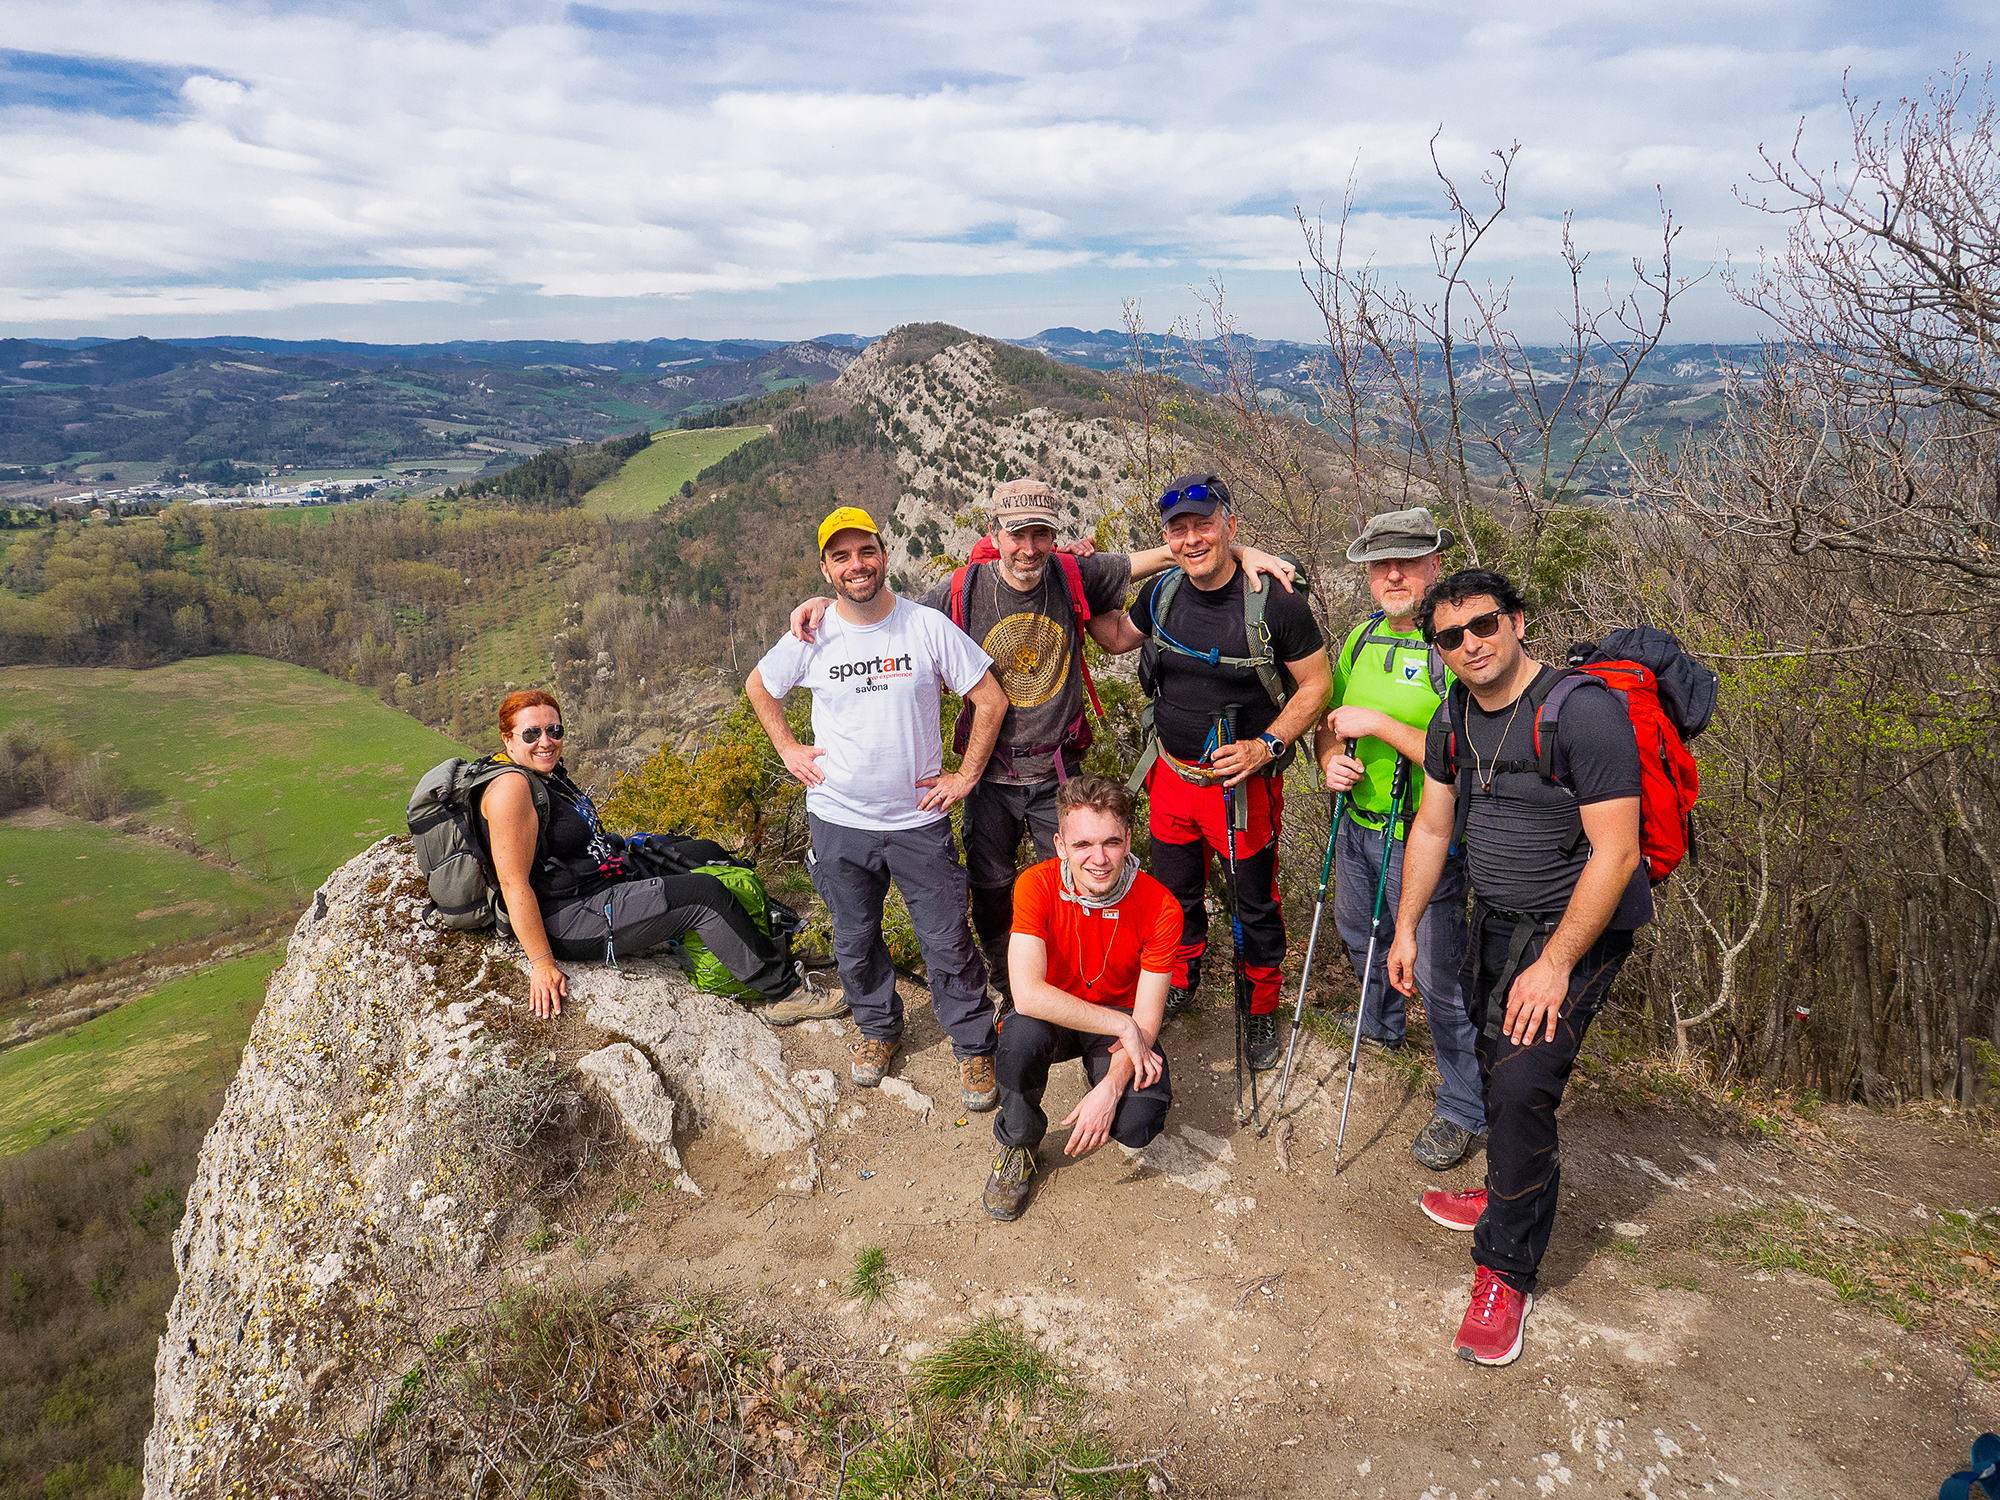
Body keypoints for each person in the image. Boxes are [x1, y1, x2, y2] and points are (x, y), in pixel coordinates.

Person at [787, 478, 1294, 1012]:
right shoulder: (961, 591)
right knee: (990, 889)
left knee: (1088, 879)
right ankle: (1015, 988)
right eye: (1016, 534)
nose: (1028, 548)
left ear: (1054, 537)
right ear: (995, 533)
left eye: (1040, 535)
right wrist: (827, 600)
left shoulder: (1073, 572)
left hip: (1058, 771)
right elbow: (889, 617)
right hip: (990, 775)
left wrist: (1239, 548)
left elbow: (1178, 550)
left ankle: (1086, 983)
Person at [1385, 568, 1646, 1367]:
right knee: (1494, 1061)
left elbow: (1618, 849)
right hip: (1491, 922)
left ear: (1518, 621)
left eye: (1484, 625)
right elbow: (1432, 830)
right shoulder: (1452, 717)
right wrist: (1405, 929)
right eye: (1451, 636)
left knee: (1524, 1084)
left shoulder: (1583, 714)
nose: (1470, 645)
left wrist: (1557, 964)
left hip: (1573, 931)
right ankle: (1505, 1189)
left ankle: (1505, 1270)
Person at [747, 506, 1010, 1111]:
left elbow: (990, 699)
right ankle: (876, 1030)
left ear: (884, 554)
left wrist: (965, 776)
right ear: (825, 568)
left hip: (919, 821)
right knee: (855, 935)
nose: (856, 565)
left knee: (947, 938)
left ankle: (973, 1046)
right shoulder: (812, 635)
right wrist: (787, 748)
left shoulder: (925, 626)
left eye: (865, 551)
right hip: (838, 819)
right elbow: (761, 686)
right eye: (841, 557)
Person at [1094, 473, 1331, 1070]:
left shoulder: (1274, 602)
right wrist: (1075, 589)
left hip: (1243, 791)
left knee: (1254, 902)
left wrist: (1266, 746)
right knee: (1175, 891)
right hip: (1171, 778)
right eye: (1179, 529)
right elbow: (1120, 637)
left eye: (1205, 524)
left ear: (1230, 524)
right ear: (1167, 538)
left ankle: (1259, 1008)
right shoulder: (1165, 592)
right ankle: (1183, 974)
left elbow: (1317, 685)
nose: (1192, 538)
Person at [1318, 507, 1485, 1170]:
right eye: (1380, 563)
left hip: (1429, 839)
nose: (1392, 574)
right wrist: (1330, 756)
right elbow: (1332, 719)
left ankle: (1464, 1106)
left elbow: (1469, 754)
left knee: (1439, 976)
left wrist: (1382, 726)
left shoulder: (1454, 644)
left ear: (1433, 566)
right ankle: (1380, 1024)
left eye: (1407, 561)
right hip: (1359, 825)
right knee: (1361, 936)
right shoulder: (1358, 639)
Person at [478, 690, 800, 1020]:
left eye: (554, 731)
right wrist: (543, 964)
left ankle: (776, 936)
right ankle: (784, 992)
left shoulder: (546, 774)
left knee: (704, 852)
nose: (546, 741)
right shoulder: (511, 790)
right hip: (573, 915)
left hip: (601, 875)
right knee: (705, 895)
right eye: (532, 733)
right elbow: (513, 883)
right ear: (508, 738)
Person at [982, 774, 1180, 1221]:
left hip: (1115, 1018)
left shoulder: (1160, 905)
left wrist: (1110, 1088)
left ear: (1129, 840)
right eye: (1083, 844)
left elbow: (1145, 1021)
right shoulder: (1036, 884)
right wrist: (1122, 1026)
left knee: (1137, 1121)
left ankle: (1100, 1085)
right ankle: (1019, 1142)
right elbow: (1028, 995)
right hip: (1053, 1011)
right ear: (1060, 844)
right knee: (1017, 1041)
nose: (1098, 858)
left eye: (1111, 842)